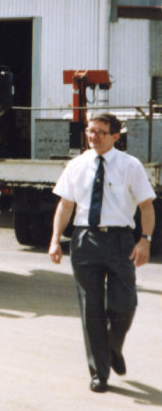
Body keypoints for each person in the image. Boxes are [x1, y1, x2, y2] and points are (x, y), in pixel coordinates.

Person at [48, 112, 155, 393]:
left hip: (120, 240)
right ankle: (99, 373)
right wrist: (55, 239)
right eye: (90, 130)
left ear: (115, 137)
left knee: (125, 304)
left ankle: (113, 345)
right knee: (91, 309)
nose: (93, 136)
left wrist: (145, 239)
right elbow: (66, 206)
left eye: (100, 132)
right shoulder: (76, 165)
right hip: (85, 241)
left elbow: (146, 207)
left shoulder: (130, 166)